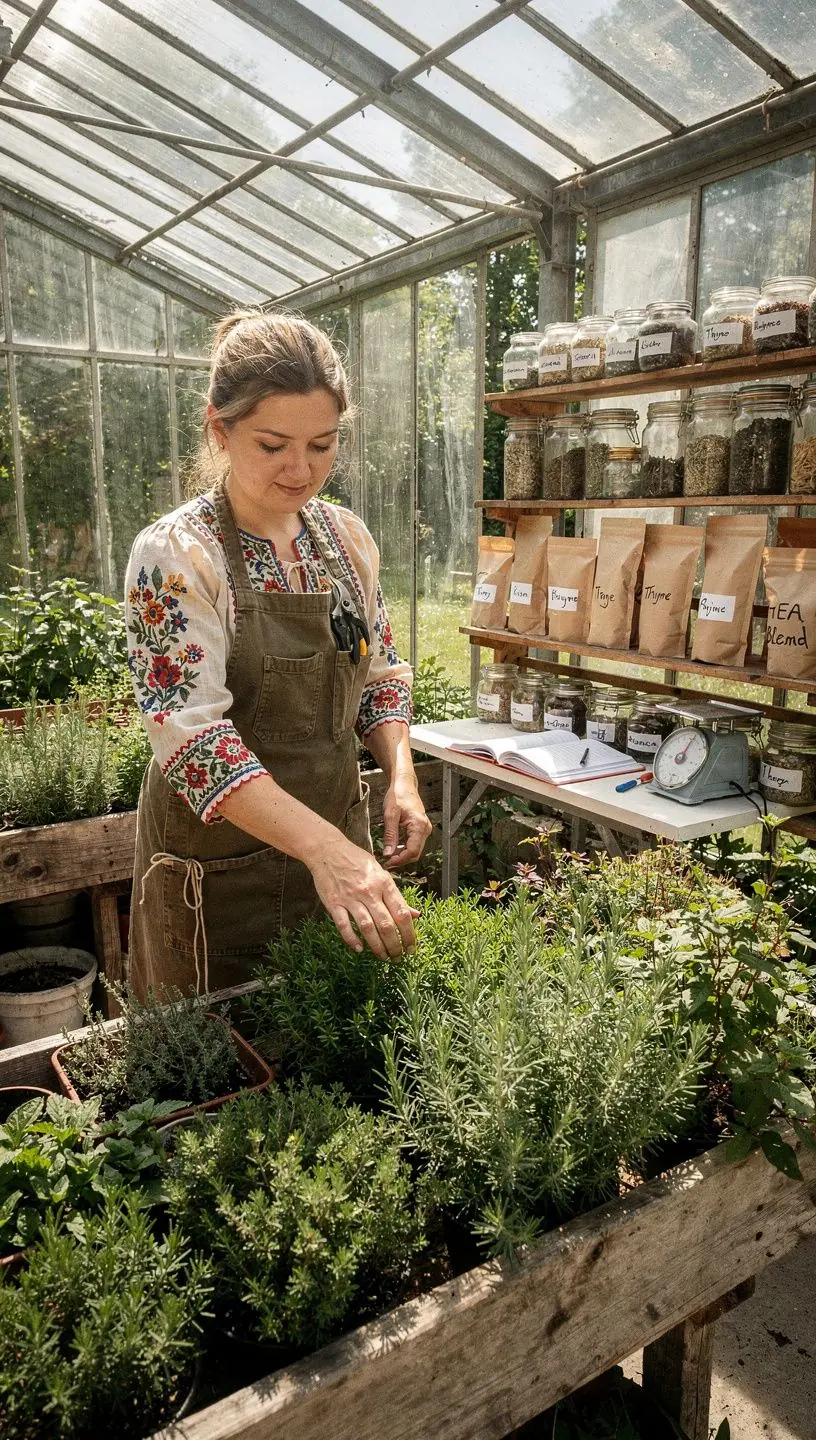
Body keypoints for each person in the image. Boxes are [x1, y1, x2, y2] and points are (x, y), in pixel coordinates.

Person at [124, 310, 432, 999]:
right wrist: (328, 851)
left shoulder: (345, 539)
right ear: (219, 429)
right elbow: (193, 740)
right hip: (217, 876)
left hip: (339, 851)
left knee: (327, 1048)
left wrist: (401, 776)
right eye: (273, 445)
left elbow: (379, 673)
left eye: (323, 445)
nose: (301, 469)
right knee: (208, 1074)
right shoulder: (177, 556)